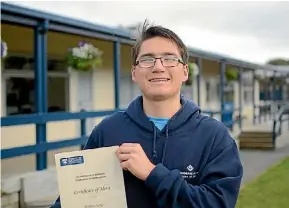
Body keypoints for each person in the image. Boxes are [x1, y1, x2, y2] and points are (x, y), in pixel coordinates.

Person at [51, 21, 243, 208]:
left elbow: (217, 202)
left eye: (169, 58)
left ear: (185, 72)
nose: (158, 67)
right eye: (147, 59)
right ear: (134, 72)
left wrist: (152, 174)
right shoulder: (107, 131)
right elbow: (73, 198)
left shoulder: (215, 136)